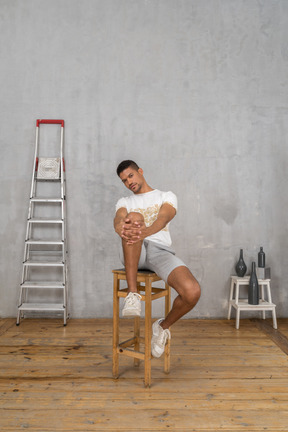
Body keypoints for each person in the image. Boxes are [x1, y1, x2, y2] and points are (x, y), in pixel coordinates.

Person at [114, 160, 201, 358]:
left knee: (192, 291)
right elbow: (119, 217)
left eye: (130, 176)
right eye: (124, 181)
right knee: (133, 218)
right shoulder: (124, 202)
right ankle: (133, 294)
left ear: (140, 172)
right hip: (132, 250)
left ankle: (162, 327)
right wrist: (119, 226)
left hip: (159, 252)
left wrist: (144, 232)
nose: (129, 183)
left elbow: (163, 219)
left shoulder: (166, 196)